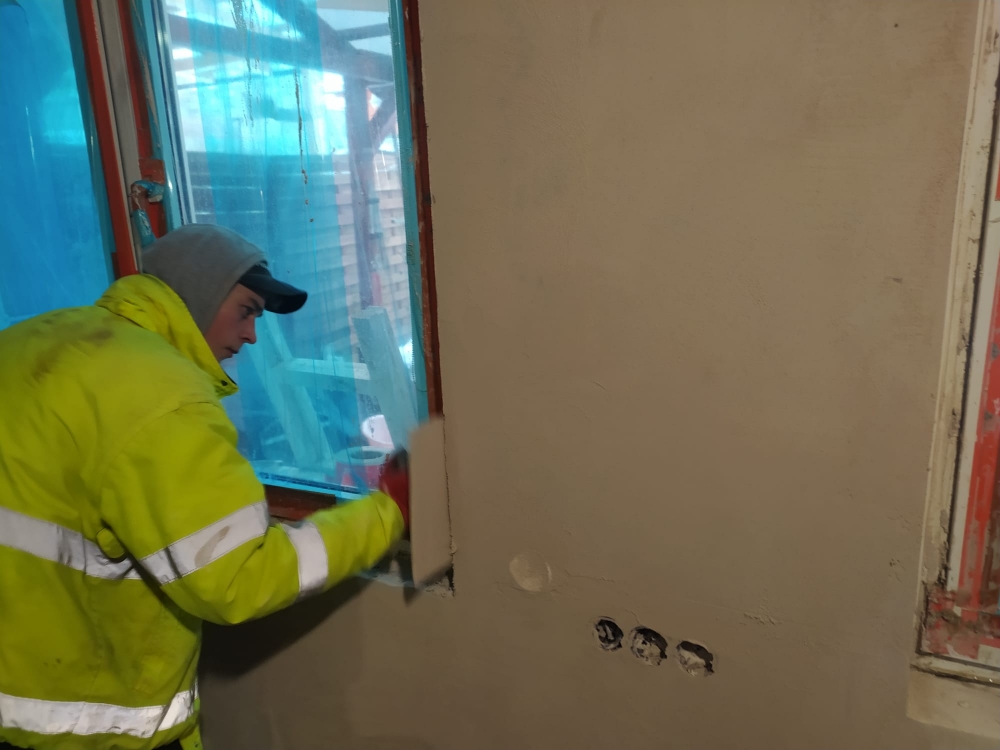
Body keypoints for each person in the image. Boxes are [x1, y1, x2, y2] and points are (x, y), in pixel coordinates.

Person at [0, 224, 408, 750]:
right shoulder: (161, 394)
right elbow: (238, 577)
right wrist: (388, 511)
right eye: (247, 310)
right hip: (83, 729)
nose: (253, 335)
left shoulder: (29, 341)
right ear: (199, 293)